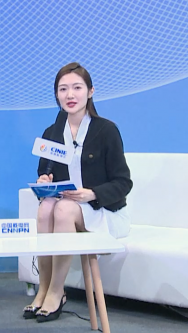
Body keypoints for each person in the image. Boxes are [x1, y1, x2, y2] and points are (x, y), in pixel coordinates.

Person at [25, 62, 133, 323]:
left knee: (62, 208)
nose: (70, 95)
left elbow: (123, 182)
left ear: (90, 91)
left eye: (77, 88)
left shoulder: (106, 130)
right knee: (46, 207)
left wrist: (92, 194)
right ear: (56, 94)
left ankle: (56, 292)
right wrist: (44, 181)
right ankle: (43, 288)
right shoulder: (51, 133)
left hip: (102, 211)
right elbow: (44, 174)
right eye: (63, 89)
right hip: (65, 208)